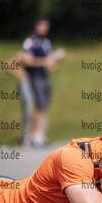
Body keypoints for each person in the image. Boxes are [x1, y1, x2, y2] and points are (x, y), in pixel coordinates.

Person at [20, 17, 65, 147]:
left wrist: (58, 58)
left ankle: (39, 134)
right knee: (38, 105)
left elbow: (50, 62)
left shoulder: (46, 42)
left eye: (46, 26)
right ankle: (34, 135)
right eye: (41, 25)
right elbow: (27, 60)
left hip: (44, 76)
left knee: (44, 105)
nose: (43, 28)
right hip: (34, 76)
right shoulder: (30, 41)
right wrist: (44, 61)